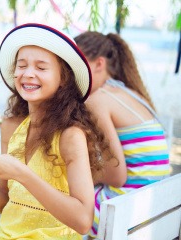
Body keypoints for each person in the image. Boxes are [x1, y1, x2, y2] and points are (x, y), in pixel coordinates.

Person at [0, 23, 113, 239]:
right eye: (21, 65)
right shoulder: (12, 127)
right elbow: (6, 203)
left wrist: (21, 173)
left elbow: (83, 221)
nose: (27, 74)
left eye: (41, 68)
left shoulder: (70, 135)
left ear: (63, 78)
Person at [74, 31, 170, 238]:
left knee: (54, 198)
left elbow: (117, 177)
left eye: (77, 67)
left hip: (125, 212)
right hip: (152, 208)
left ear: (99, 64)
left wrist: (77, 173)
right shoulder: (131, 93)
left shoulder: (97, 100)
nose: (72, 76)